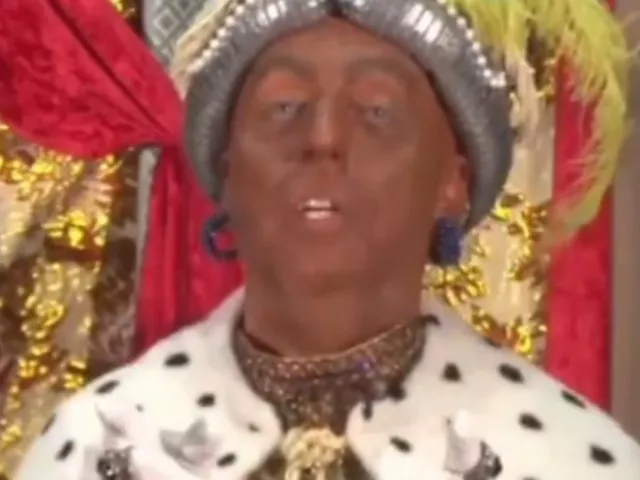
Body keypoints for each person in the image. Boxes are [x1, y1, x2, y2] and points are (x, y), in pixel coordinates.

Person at [7, 0, 640, 478]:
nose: (323, 138)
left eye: (376, 111)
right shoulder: (97, 446)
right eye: (284, 106)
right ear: (226, 170)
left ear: (453, 181)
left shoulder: (565, 457)